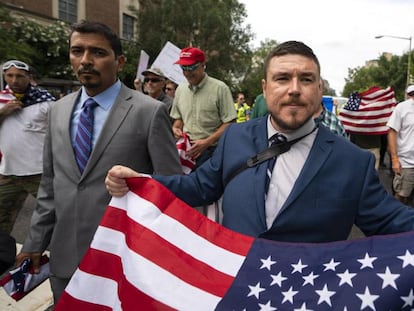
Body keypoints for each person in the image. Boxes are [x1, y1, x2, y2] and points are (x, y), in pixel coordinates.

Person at [106, 40, 414, 245]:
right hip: (236, 287)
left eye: (306, 80)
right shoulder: (236, 138)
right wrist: (142, 182)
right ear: (265, 89)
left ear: (319, 90)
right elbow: (199, 187)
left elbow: (393, 222)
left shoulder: (353, 162)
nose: (294, 89)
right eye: (282, 79)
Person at [16, 20, 182, 304]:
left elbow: (172, 186)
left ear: (119, 62)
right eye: (77, 51)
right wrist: (35, 241)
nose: (85, 60)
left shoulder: (149, 112)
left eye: (97, 52)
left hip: (124, 258)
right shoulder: (58, 111)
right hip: (65, 257)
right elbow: (50, 184)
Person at [0, 60, 55, 234]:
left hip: (39, 173)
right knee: (2, 221)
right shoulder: (2, 100)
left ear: (29, 78)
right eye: (9, 75)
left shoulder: (46, 102)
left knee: (55, 216)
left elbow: (61, 133)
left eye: (19, 76)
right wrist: (3, 112)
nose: (14, 80)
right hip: (7, 173)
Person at [171, 47, 236, 169]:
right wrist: (175, 128)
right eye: (183, 68)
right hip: (186, 151)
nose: (187, 73)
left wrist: (207, 142)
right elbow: (178, 118)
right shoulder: (180, 89)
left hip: (212, 151)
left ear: (203, 65)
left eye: (191, 68)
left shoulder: (220, 89)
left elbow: (230, 122)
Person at [386, 84, 414, 205]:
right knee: (402, 197)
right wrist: (394, 159)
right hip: (407, 163)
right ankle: (397, 222)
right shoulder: (402, 108)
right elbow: (392, 132)